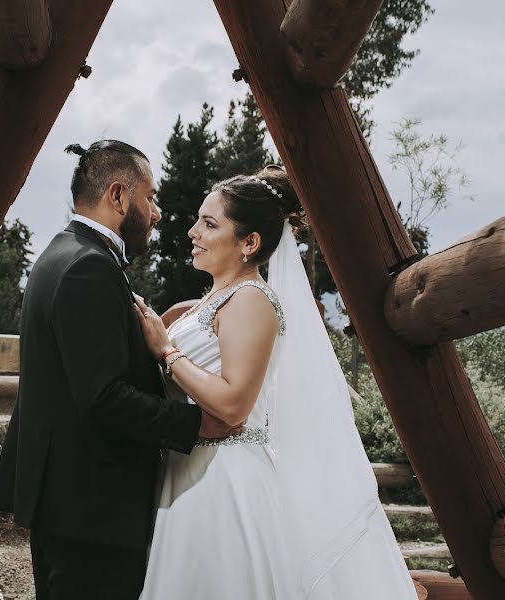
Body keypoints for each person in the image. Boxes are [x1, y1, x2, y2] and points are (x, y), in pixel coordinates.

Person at [135, 165, 418, 599]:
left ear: (249, 243)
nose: (193, 231)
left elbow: (233, 405)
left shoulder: (252, 300)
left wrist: (167, 352)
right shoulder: (212, 301)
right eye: (198, 220)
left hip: (224, 482)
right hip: (190, 469)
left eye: (209, 224)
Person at [0, 140, 241, 600]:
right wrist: (198, 423)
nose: (158, 212)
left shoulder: (60, 253)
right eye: (151, 197)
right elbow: (103, 396)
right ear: (119, 196)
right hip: (94, 510)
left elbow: (77, 369)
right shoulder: (91, 267)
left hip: (66, 502)